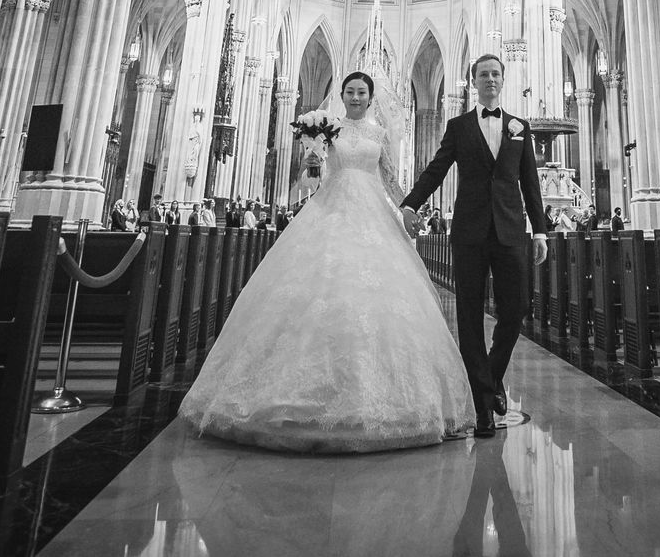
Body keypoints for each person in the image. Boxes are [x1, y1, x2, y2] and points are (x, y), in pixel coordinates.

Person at [180, 71, 473, 452]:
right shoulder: (326, 128)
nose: (355, 97)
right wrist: (313, 155)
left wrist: (407, 209)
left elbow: (389, 179)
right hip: (329, 207)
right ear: (342, 95)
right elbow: (309, 174)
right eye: (350, 91)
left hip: (373, 213)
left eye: (361, 92)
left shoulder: (379, 135)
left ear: (370, 98)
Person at [401, 54, 550, 439]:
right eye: (483, 74)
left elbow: (530, 183)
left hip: (510, 231)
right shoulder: (459, 126)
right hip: (468, 231)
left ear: (503, 80)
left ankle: (490, 379)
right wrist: (410, 203)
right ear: (473, 82)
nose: (489, 79)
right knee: (468, 315)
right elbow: (437, 168)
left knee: (515, 310)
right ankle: (484, 406)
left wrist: (540, 231)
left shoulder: (520, 127)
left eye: (495, 74)